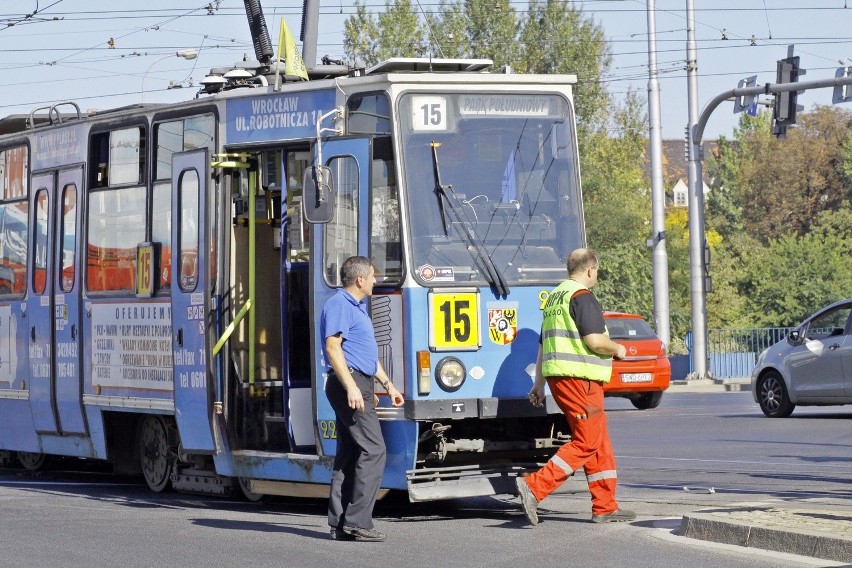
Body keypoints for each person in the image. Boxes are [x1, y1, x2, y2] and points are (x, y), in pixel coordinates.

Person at [516, 248, 636, 525]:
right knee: (587, 442)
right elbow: (595, 341)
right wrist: (617, 349)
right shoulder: (582, 297)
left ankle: (605, 506)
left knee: (599, 442)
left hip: (562, 379)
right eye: (597, 271)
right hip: (580, 381)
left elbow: (544, 344)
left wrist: (538, 383)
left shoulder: (555, 298)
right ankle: (534, 486)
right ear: (591, 269)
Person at [321, 256, 404, 542]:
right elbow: (333, 348)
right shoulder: (339, 304)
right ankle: (358, 522)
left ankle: (341, 522)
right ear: (359, 280)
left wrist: (388, 385)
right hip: (348, 383)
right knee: (374, 450)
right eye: (372, 276)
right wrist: (352, 388)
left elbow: (366, 356)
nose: (375, 281)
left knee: (351, 453)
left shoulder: (356, 308)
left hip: (358, 381)